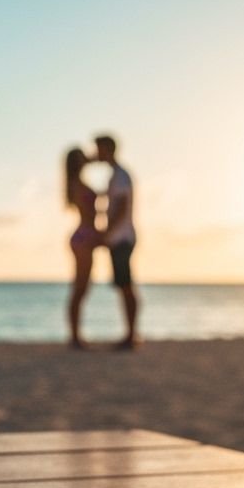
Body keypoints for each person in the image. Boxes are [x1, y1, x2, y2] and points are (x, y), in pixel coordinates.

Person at [94, 134, 139, 348]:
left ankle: (131, 335)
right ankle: (130, 334)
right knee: (124, 286)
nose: (96, 153)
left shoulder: (119, 176)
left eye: (99, 149)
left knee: (126, 285)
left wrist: (107, 232)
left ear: (108, 149)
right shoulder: (116, 175)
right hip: (119, 238)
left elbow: (121, 207)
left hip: (121, 238)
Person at [65, 146, 100, 348]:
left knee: (83, 286)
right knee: (80, 287)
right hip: (84, 237)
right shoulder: (77, 185)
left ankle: (76, 335)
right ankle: (75, 336)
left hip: (85, 236)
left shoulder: (76, 183)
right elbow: (88, 216)